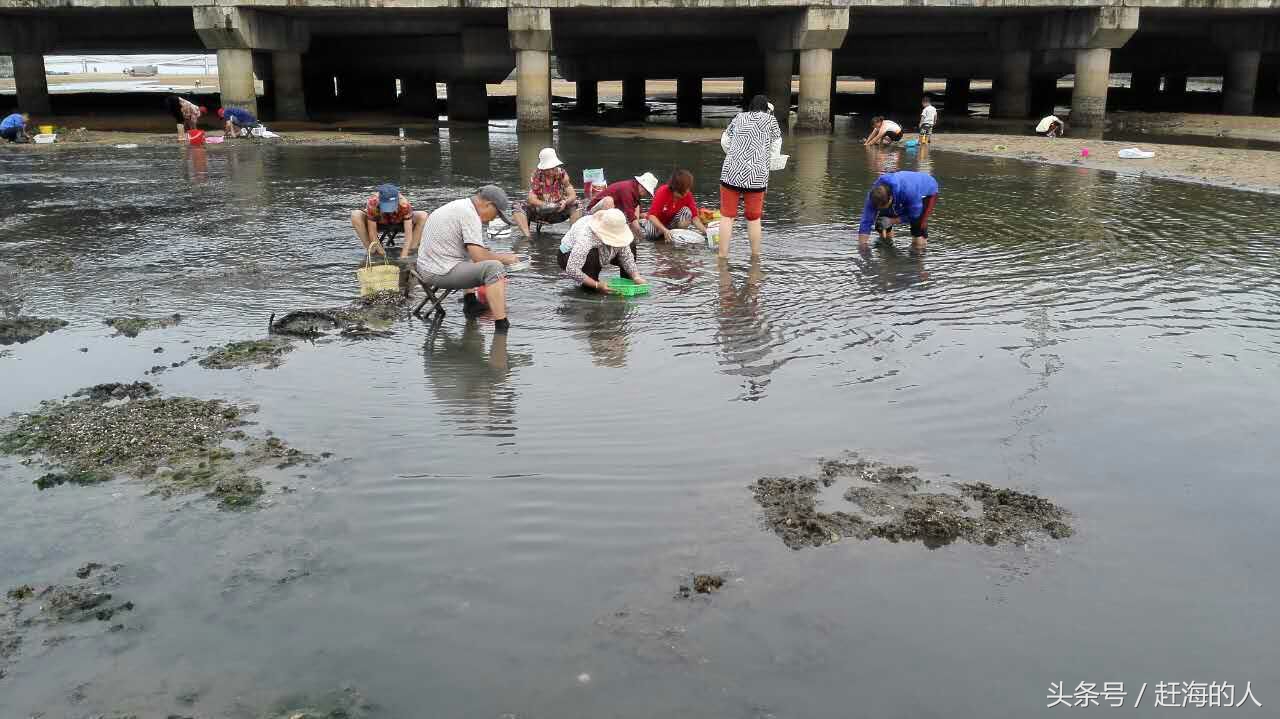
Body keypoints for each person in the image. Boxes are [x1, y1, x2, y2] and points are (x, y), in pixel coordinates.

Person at [416, 185, 520, 331]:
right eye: (496, 214)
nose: (493, 219)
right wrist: (506, 258)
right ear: (488, 204)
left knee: (482, 253)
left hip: (427, 266)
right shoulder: (470, 214)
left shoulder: (460, 206)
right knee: (494, 268)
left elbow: (474, 252)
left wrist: (490, 255)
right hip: (438, 272)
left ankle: (470, 302)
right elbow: (479, 257)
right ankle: (502, 325)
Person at [718, 94, 782, 259]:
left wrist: (735, 155)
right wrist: (766, 162)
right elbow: (776, 146)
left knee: (727, 216)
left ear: (751, 106)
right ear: (766, 108)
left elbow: (725, 140)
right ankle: (755, 257)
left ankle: (722, 256)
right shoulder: (770, 121)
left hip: (731, 172)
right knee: (753, 218)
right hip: (756, 174)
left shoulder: (738, 117)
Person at [557, 209, 648, 294]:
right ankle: (590, 287)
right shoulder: (586, 236)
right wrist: (596, 285)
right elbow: (572, 269)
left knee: (631, 245)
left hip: (602, 251)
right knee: (591, 256)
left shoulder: (617, 228)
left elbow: (627, 257)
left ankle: (626, 282)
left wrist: (636, 277)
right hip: (567, 256)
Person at [856, 170, 940, 250]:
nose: (880, 209)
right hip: (901, 194)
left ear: (891, 199)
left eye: (883, 207)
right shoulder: (873, 195)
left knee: (917, 230)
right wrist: (862, 248)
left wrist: (892, 221)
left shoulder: (908, 192)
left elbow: (914, 215)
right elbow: (866, 221)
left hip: (926, 192)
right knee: (880, 224)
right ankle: (888, 251)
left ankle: (918, 258)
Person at [511, 147, 580, 240]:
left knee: (577, 204)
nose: (551, 171)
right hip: (541, 211)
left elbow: (572, 194)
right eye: (548, 169)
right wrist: (546, 205)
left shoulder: (562, 174)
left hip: (559, 210)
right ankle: (527, 237)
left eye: (553, 168)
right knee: (517, 206)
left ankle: (573, 237)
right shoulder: (537, 176)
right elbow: (531, 198)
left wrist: (565, 202)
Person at [350, 184, 429, 259]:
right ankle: (373, 251)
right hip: (379, 222)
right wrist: (383, 255)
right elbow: (372, 233)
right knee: (355, 215)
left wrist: (403, 257)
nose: (389, 210)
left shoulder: (404, 204)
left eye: (391, 207)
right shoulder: (373, 203)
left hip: (400, 222)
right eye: (386, 207)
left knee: (423, 215)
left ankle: (411, 251)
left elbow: (408, 236)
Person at [587, 172, 659, 245]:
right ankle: (610, 233)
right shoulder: (627, 189)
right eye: (646, 191)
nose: (646, 194)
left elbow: (636, 213)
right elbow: (630, 214)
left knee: (636, 210)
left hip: (613, 211)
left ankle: (632, 235)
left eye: (648, 192)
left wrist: (649, 217)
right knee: (609, 200)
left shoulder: (635, 192)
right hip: (594, 210)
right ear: (641, 185)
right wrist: (640, 234)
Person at [641, 169, 708, 242]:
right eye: (685, 190)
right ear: (676, 188)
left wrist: (706, 232)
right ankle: (646, 224)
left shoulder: (688, 195)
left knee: (687, 211)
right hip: (658, 223)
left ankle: (676, 235)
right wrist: (664, 230)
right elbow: (652, 216)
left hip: (672, 223)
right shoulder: (662, 192)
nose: (687, 192)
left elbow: (695, 218)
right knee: (651, 235)